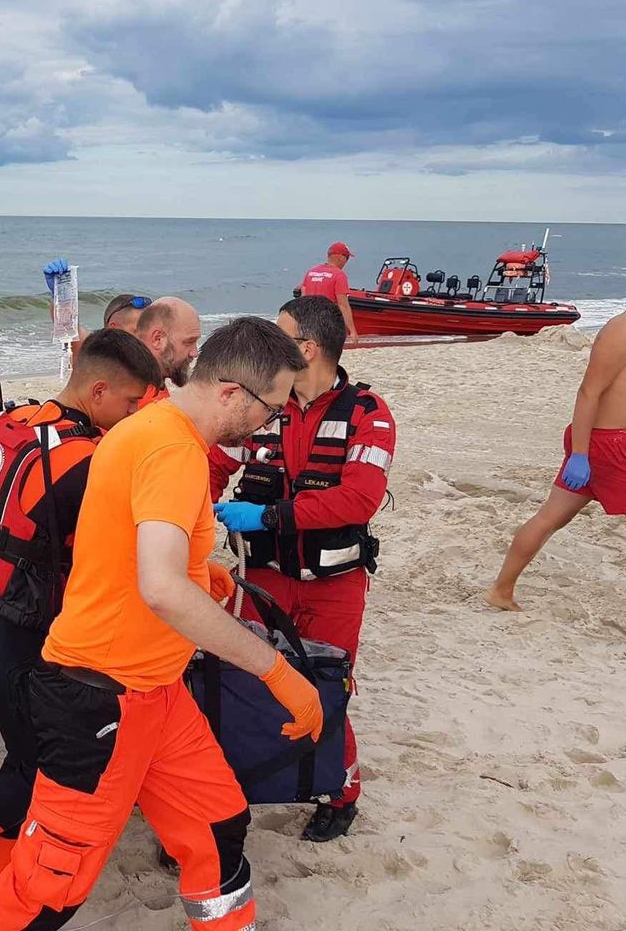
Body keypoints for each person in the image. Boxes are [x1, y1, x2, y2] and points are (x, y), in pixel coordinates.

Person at [0, 317, 322, 931]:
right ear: (232, 392)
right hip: (99, 697)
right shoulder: (172, 448)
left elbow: (140, 543)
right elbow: (162, 588)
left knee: (216, 824)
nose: (272, 424)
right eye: (274, 408)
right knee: (49, 883)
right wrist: (276, 671)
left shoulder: (150, 426)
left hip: (157, 691)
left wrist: (203, 570)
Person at [0, 330, 163, 920]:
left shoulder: (6, 422)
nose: (130, 419)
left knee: (24, 760)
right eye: (128, 406)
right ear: (99, 391)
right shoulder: (86, 463)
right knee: (39, 769)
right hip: (18, 631)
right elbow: (117, 560)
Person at [209, 295, 395, 841]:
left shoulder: (369, 414)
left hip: (335, 585)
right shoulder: (264, 407)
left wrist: (265, 513)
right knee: (248, 682)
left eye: (279, 334)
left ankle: (340, 793)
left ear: (306, 348)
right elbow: (213, 462)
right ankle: (241, 786)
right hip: (263, 580)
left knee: (327, 686)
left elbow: (357, 500)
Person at [487, 266, 626, 648]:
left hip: (601, 444)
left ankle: (501, 591)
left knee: (552, 516)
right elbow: (589, 392)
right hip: (611, 447)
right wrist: (581, 454)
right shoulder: (624, 331)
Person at [133, 297, 203, 403]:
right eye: (188, 342)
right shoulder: (136, 396)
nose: (195, 353)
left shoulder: (154, 384)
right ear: (158, 339)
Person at [299, 241, 359, 343]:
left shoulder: (311, 272)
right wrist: (353, 331)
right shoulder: (339, 275)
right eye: (347, 258)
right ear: (340, 257)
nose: (346, 261)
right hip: (328, 323)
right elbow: (343, 305)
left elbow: (302, 298)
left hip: (309, 323)